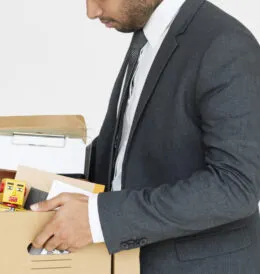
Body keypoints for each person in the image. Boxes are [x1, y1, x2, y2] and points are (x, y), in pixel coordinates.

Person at [31, 0, 260, 273]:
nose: (91, 12)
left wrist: (99, 220)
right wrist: (24, 168)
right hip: (132, 260)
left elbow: (237, 186)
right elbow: (125, 150)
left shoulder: (225, 45)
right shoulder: (149, 32)